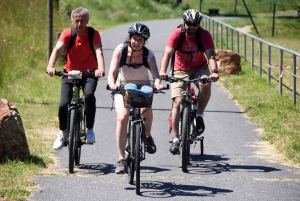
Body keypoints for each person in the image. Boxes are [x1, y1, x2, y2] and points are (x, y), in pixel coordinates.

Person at [159, 9, 219, 155]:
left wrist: (214, 71)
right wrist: (162, 71)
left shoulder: (204, 35)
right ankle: (175, 140)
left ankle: (199, 114)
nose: (192, 26)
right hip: (180, 69)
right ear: (184, 22)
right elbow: (167, 53)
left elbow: (210, 54)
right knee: (178, 102)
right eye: (189, 23)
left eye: (195, 24)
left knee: (205, 85)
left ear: (199, 24)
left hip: (199, 67)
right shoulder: (176, 34)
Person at [47, 7, 105, 150]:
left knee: (89, 96)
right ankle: (63, 133)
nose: (79, 24)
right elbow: (57, 49)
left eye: (82, 21)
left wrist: (100, 69)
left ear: (87, 21)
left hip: (89, 74)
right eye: (77, 20)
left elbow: (99, 52)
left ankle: (90, 130)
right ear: (73, 21)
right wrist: (51, 66)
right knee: (63, 104)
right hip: (70, 73)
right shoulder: (68, 33)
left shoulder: (93, 34)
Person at [107, 23, 162, 174]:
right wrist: (112, 84)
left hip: (143, 89)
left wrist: (157, 84)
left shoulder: (148, 55)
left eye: (140, 40)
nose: (136, 42)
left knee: (146, 109)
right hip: (122, 89)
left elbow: (156, 75)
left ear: (144, 41)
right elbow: (112, 73)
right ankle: (121, 159)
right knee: (122, 117)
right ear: (130, 38)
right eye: (134, 38)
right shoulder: (121, 50)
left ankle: (148, 135)